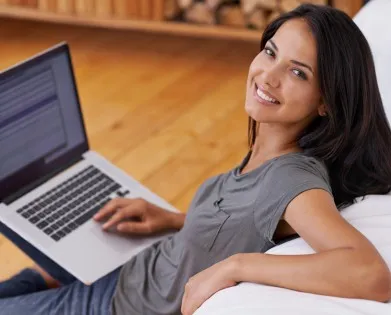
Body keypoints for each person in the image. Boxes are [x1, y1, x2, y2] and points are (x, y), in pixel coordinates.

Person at [1, 3, 391, 315]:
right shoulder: (274, 148)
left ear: (326, 101)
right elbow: (245, 218)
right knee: (31, 276)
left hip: (113, 305)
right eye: (270, 52)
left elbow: (370, 274)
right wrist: (172, 220)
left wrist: (235, 266)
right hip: (133, 267)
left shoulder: (289, 180)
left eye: (297, 72)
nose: (268, 77)